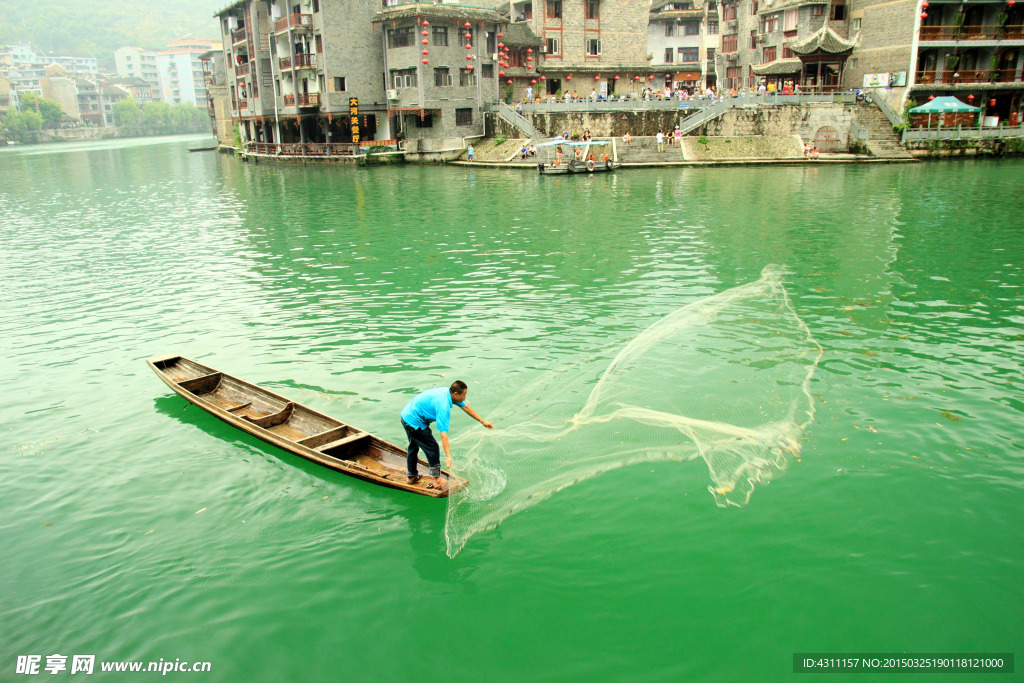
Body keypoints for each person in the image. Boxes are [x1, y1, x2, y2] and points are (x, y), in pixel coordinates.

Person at [401, 381, 493, 488]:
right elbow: (443, 434)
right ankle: (437, 481)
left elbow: (466, 407)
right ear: (455, 394)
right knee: (433, 447)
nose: (465, 396)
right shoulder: (443, 407)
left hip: (406, 415)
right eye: (464, 394)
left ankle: (411, 476)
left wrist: (482, 421)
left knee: (413, 446)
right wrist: (448, 456)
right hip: (414, 421)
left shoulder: (448, 392)